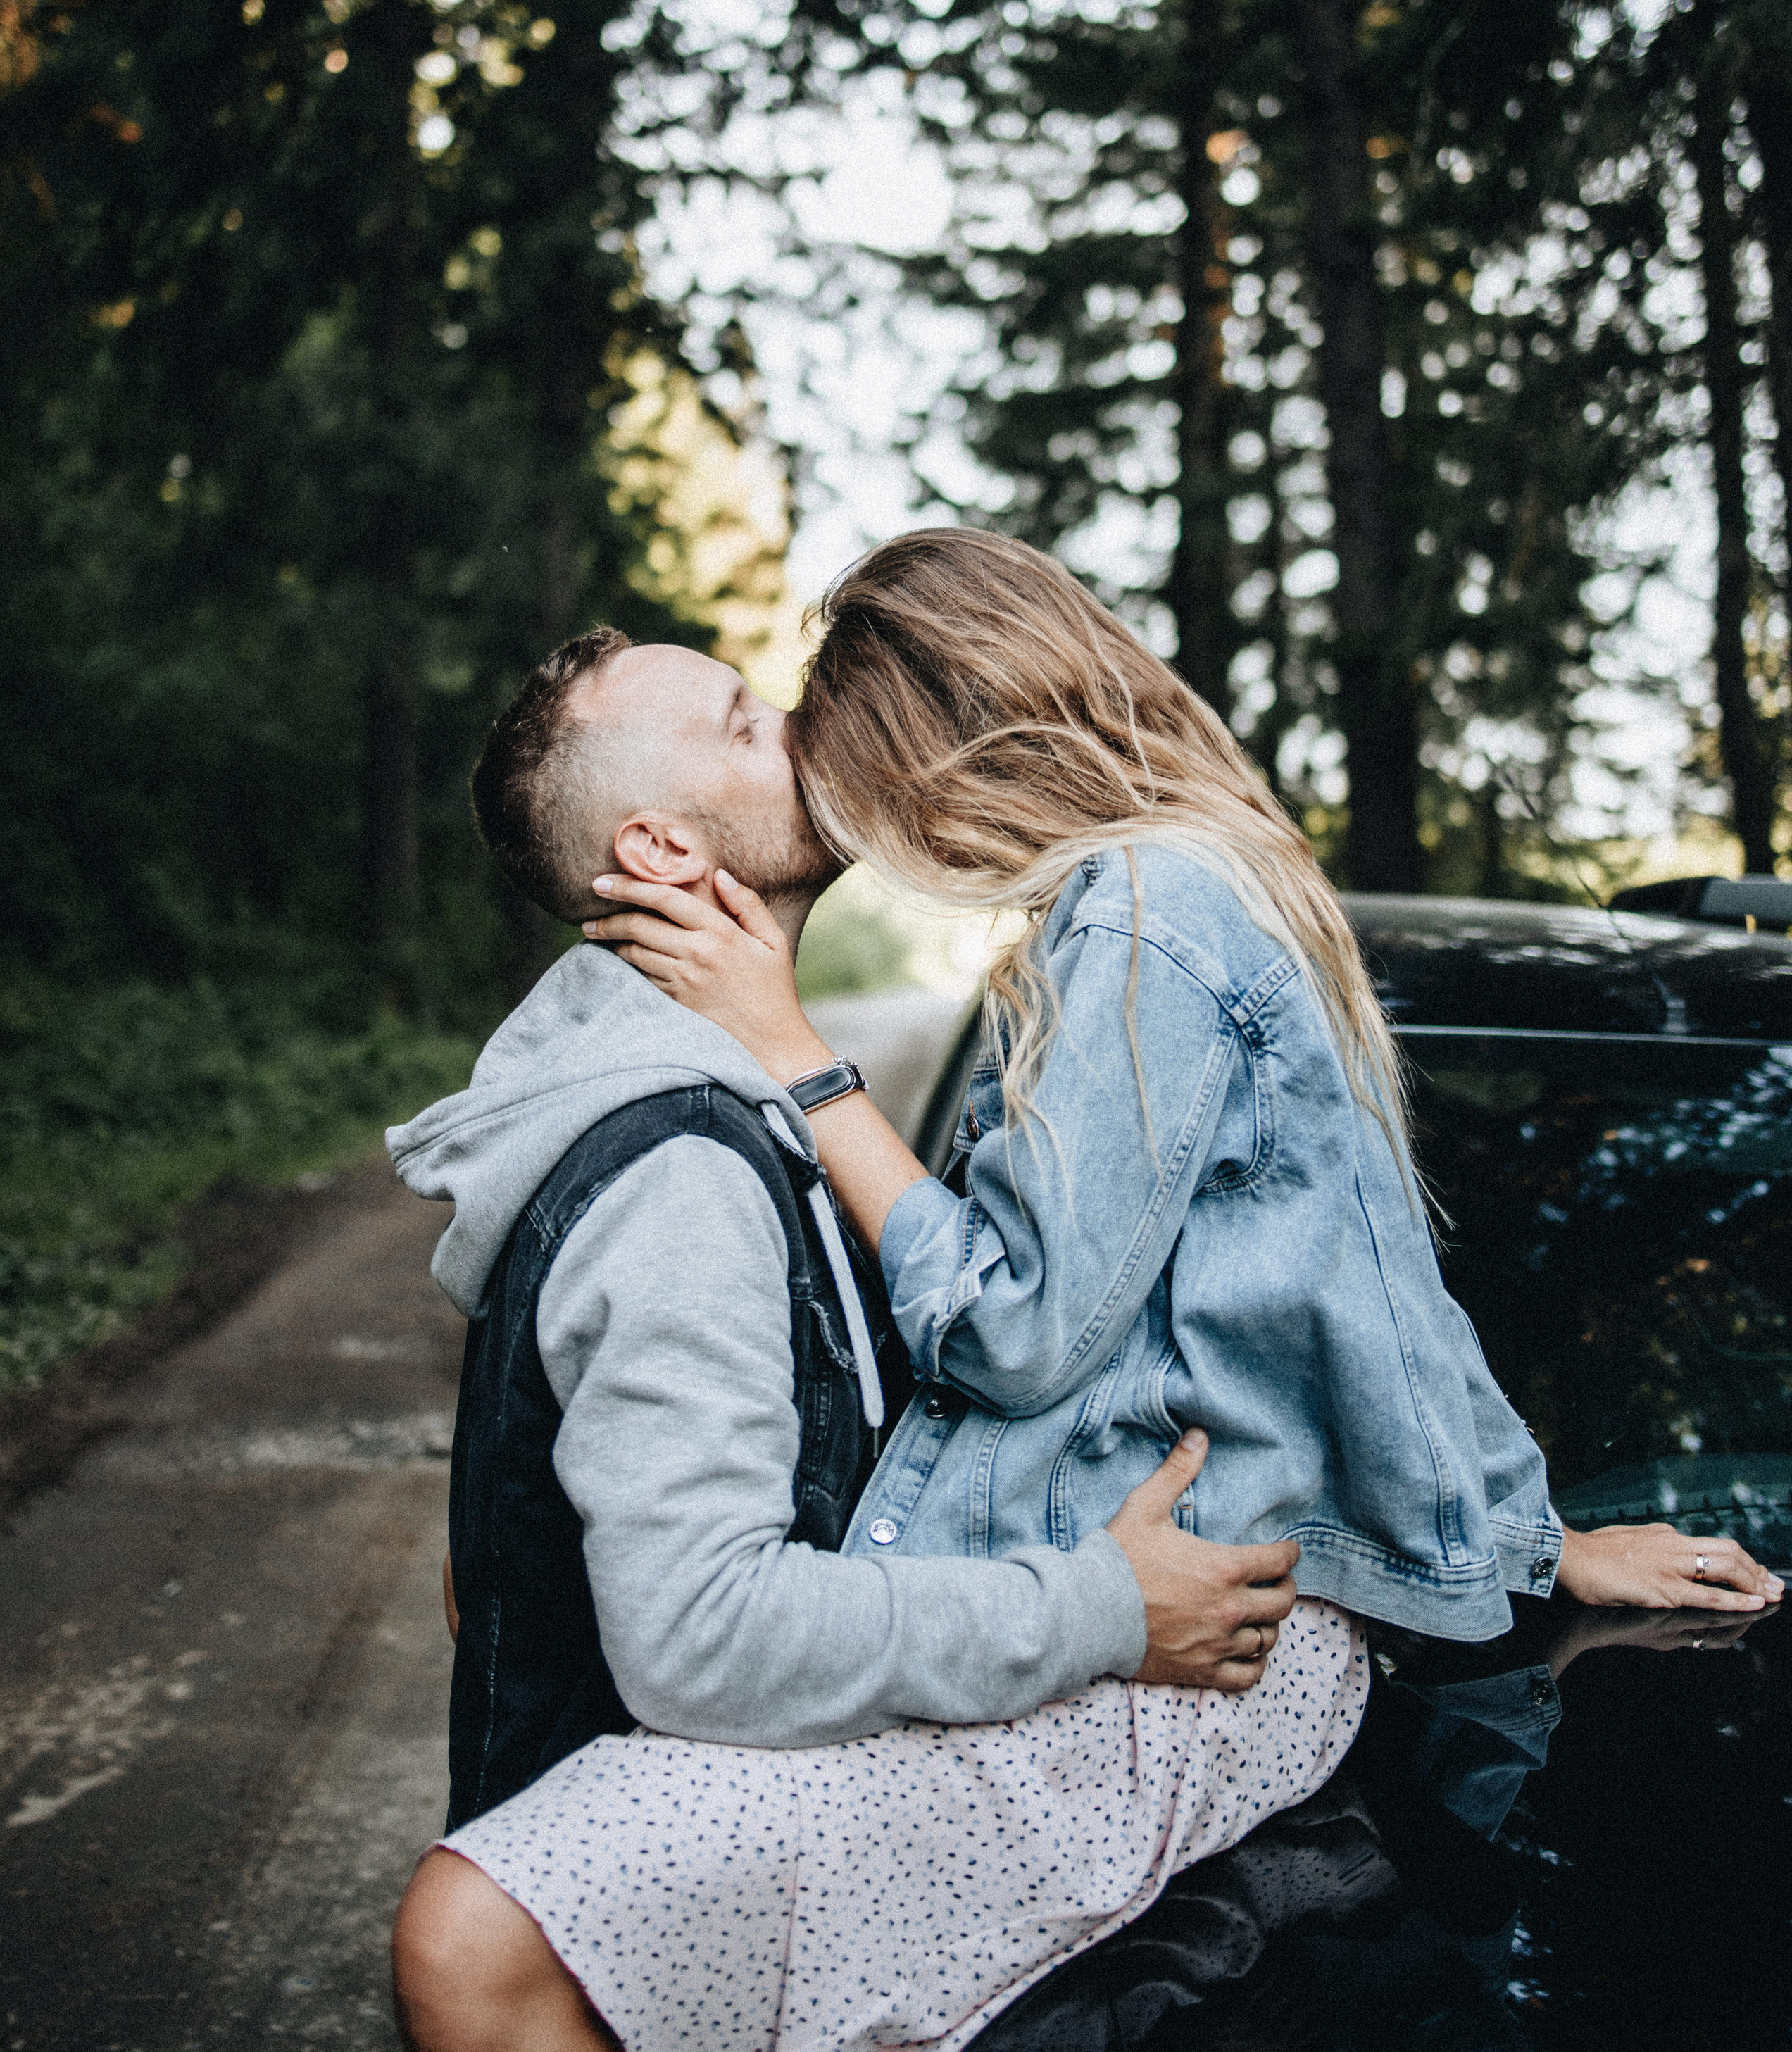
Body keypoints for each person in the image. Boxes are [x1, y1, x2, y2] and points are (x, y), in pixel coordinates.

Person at [389, 626, 1368, 2052]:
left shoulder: (743, 1098)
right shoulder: (680, 1169)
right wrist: (1104, 1608)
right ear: (660, 851)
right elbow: (699, 1635)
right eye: (742, 724)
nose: (800, 724)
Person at [587, 530, 1783, 1640]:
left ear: (938, 769)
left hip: (1150, 1605)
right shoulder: (1198, 888)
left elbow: (1011, 1331)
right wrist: (1533, 1537)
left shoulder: (1143, 924)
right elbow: (1364, 1273)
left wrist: (794, 1053)